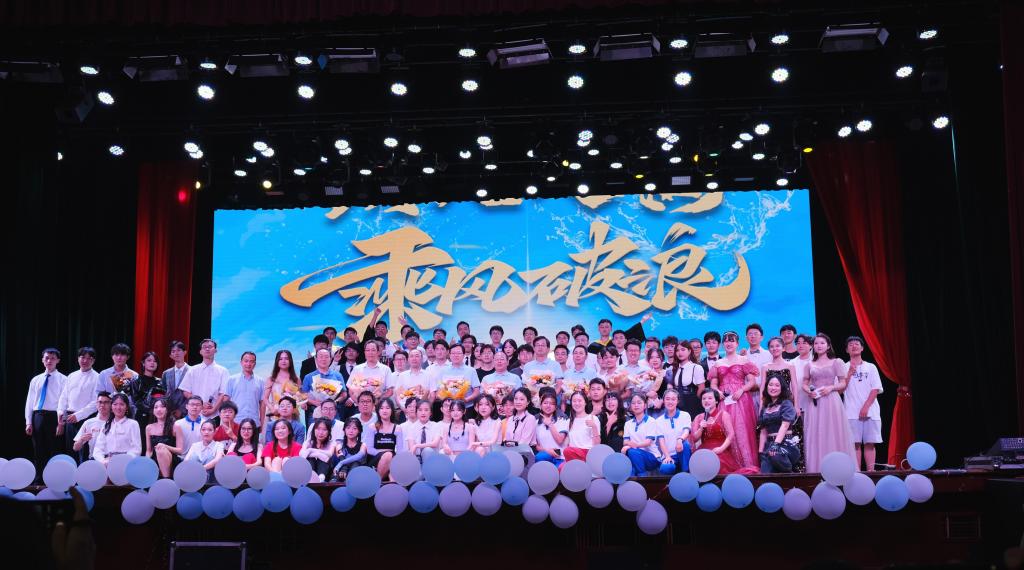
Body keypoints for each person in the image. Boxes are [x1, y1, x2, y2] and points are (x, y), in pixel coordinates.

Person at [802, 333, 857, 473]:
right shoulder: (809, 364)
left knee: (833, 432)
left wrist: (831, 388)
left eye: (822, 343)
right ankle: (817, 469)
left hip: (832, 401)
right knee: (817, 434)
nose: (818, 346)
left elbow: (843, 383)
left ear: (828, 346)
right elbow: (804, 383)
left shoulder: (836, 362)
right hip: (815, 402)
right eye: (816, 343)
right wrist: (809, 391)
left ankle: (838, 469)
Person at [707, 331, 760, 471]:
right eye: (726, 340)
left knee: (742, 430)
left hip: (741, 400)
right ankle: (729, 467)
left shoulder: (743, 360)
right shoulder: (718, 363)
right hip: (724, 400)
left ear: (737, 343)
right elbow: (713, 384)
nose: (728, 343)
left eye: (732, 340)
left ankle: (747, 466)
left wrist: (741, 390)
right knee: (726, 429)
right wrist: (717, 392)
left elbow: (752, 382)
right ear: (723, 344)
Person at [690, 388, 757, 475]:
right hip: (704, 450)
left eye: (710, 398)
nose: (706, 401)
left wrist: (721, 449)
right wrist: (701, 428)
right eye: (704, 398)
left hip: (720, 449)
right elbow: (694, 439)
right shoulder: (699, 417)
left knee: (718, 465)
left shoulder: (723, 414)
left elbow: (731, 434)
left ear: (716, 401)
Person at [843, 336, 884, 472]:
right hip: (851, 412)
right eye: (850, 344)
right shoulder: (843, 367)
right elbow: (840, 389)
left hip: (870, 411)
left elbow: (875, 388)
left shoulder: (871, 367)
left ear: (862, 348)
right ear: (846, 350)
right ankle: (857, 472)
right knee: (854, 444)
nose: (854, 346)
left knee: (870, 443)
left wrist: (866, 407)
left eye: (857, 344)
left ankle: (871, 472)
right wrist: (849, 374)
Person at [25, 348, 67, 476]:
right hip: (37, 416)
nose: (49, 361)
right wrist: (28, 422)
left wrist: (61, 423)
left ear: (58, 360)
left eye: (53, 358)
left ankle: (54, 478)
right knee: (38, 449)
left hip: (54, 417)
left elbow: (64, 402)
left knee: (54, 449)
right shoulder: (36, 379)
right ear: (42, 360)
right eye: (47, 358)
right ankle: (39, 479)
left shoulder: (63, 379)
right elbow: (30, 402)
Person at [57, 346, 99, 462]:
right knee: (70, 451)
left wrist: (78, 415)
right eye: (82, 357)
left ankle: (84, 474)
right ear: (78, 358)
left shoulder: (97, 377)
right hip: (69, 418)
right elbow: (63, 397)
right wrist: (60, 413)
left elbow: (95, 403)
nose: (85, 360)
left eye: (89, 358)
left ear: (93, 361)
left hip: (86, 419)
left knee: (84, 452)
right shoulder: (71, 376)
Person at [179, 339, 230, 420]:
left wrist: (213, 410)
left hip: (215, 415)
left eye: (210, 347)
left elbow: (223, 394)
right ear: (200, 351)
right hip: (195, 413)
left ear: (215, 350)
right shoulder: (192, 370)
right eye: (204, 347)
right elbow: (186, 391)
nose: (207, 349)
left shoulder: (223, 371)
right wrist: (200, 404)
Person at [758, 376, 800, 473]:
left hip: (785, 444)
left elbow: (784, 426)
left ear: (782, 388)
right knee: (765, 472)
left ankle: (791, 475)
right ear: (766, 387)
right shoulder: (765, 407)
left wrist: (775, 445)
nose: (773, 388)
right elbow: (763, 432)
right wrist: (760, 452)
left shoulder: (786, 404)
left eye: (777, 385)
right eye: (770, 385)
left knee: (775, 455)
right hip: (769, 445)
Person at [123, 351, 166, 440]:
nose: (152, 363)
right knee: (141, 441)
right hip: (142, 416)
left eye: (155, 361)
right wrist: (151, 410)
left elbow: (163, 400)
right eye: (149, 360)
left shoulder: (160, 382)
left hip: (157, 417)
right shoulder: (136, 380)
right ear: (143, 363)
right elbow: (137, 401)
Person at [301, 347, 346, 424]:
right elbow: (303, 396)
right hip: (314, 411)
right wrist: (315, 402)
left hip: (333, 412)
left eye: (326, 357)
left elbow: (344, 394)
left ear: (330, 359)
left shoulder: (337, 375)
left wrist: (335, 402)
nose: (323, 359)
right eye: (321, 356)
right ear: (316, 359)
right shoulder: (308, 377)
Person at [621, 393, 662, 476]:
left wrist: (631, 446)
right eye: (633, 403)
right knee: (630, 470)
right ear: (630, 406)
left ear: (645, 405)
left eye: (639, 403)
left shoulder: (651, 421)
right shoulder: (628, 424)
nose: (636, 405)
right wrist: (629, 446)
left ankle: (642, 478)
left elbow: (648, 442)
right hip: (634, 455)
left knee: (632, 452)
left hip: (652, 457)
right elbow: (625, 442)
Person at [93, 393, 142, 463]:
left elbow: (136, 449)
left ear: (127, 407)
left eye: (122, 404)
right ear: (111, 407)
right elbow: (98, 448)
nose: (118, 407)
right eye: (115, 404)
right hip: (108, 462)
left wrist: (123, 460)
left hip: (127, 462)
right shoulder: (106, 425)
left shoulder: (133, 424)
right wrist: (102, 460)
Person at [664, 341, 706, 420]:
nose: (680, 353)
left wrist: (695, 402)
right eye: (677, 350)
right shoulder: (674, 368)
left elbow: (701, 389)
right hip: (677, 405)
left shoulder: (696, 367)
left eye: (683, 350)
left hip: (692, 404)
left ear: (689, 351)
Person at [656, 389, 693, 474]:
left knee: (685, 444)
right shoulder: (658, 421)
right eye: (667, 399)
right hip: (669, 454)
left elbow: (686, 432)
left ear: (677, 401)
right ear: (663, 401)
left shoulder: (685, 415)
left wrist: (680, 439)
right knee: (665, 468)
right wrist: (667, 456)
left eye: (673, 399)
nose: (670, 402)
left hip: (682, 452)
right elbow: (661, 442)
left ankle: (686, 473)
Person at [225, 351, 264, 428]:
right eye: (246, 361)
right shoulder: (232, 379)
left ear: (255, 364)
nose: (248, 364)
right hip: (235, 422)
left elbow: (262, 404)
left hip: (254, 422)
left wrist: (262, 423)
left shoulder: (261, 381)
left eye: (251, 361)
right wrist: (226, 421)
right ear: (241, 362)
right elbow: (226, 402)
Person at [365, 398, 402, 479]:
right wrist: (384, 454)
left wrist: (389, 457)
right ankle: (376, 481)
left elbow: (399, 451)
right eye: (381, 408)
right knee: (388, 455)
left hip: (391, 460)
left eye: (387, 408)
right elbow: (369, 450)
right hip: (375, 460)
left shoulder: (397, 428)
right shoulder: (372, 427)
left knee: (394, 471)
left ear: (392, 410)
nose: (384, 411)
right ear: (378, 411)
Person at [147, 398, 184, 478]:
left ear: (168, 409)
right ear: (153, 411)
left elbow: (180, 450)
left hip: (171, 461)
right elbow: (148, 451)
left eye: (162, 406)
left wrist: (165, 446)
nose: (159, 409)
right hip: (154, 461)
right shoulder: (149, 428)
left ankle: (166, 479)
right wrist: (147, 462)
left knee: (161, 449)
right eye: (156, 407)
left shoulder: (176, 427)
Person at [264, 350, 302, 425]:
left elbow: (300, 397)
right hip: (275, 415)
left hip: (292, 416)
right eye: (280, 359)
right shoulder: (271, 379)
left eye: (286, 359)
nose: (283, 361)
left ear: (290, 361)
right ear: (277, 361)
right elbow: (265, 398)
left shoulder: (296, 379)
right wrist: (272, 409)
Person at [73, 391, 112, 461]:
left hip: (111, 459)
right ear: (96, 404)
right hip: (94, 460)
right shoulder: (88, 423)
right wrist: (81, 440)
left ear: (111, 404)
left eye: (106, 402)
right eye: (100, 402)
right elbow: (75, 448)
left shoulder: (116, 422)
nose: (102, 405)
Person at [95, 343, 137, 408]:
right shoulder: (104, 374)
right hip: (107, 410)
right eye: (116, 354)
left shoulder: (134, 375)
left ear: (128, 357)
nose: (119, 357)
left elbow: (136, 398)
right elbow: (98, 394)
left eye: (122, 355)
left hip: (128, 410)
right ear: (112, 356)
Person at [761, 337, 799, 408]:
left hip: (787, 401)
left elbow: (794, 386)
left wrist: (796, 405)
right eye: (771, 346)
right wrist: (761, 405)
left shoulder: (790, 366)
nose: (774, 348)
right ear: (769, 349)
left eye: (777, 346)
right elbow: (762, 388)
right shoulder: (765, 367)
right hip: (770, 402)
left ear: (783, 348)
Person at [562, 391, 600, 461]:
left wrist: (594, 427)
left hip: (587, 453)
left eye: (580, 401)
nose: (577, 403)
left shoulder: (593, 418)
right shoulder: (569, 421)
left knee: (568, 451)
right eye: (574, 401)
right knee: (562, 465)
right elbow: (567, 442)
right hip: (572, 454)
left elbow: (597, 444)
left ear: (585, 402)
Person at [498, 388, 537, 456]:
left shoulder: (530, 418)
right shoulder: (511, 419)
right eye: (516, 399)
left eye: (521, 399)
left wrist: (509, 452)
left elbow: (524, 443)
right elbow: (507, 440)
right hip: (510, 451)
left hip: (525, 453)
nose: (518, 402)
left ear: (528, 402)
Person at [534, 392, 567, 467]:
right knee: (539, 457)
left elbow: (560, 440)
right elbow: (536, 445)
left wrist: (550, 424)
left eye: (552, 404)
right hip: (544, 456)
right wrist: (547, 451)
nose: (548, 406)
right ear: (541, 405)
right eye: (545, 403)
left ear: (555, 407)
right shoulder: (535, 422)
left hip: (560, 457)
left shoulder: (562, 419)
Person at [333, 417, 369, 482]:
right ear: (344, 430)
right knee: (335, 475)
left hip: (359, 475)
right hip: (342, 472)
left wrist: (341, 463)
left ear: (359, 431)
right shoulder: (339, 445)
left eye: (354, 428)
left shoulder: (363, 445)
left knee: (355, 463)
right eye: (348, 428)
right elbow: (341, 458)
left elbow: (359, 456)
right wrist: (343, 468)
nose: (351, 431)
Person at [162, 340, 190, 418]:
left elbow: (193, 393)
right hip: (169, 412)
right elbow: (164, 392)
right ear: (170, 355)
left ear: (185, 352)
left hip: (187, 412)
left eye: (179, 350)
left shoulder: (192, 371)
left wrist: (182, 410)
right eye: (173, 351)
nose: (176, 353)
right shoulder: (166, 373)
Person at [174, 396, 206, 461]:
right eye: (192, 404)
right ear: (186, 406)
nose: (195, 407)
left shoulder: (206, 423)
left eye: (198, 405)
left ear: (202, 407)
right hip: (181, 458)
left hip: (200, 458)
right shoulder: (178, 423)